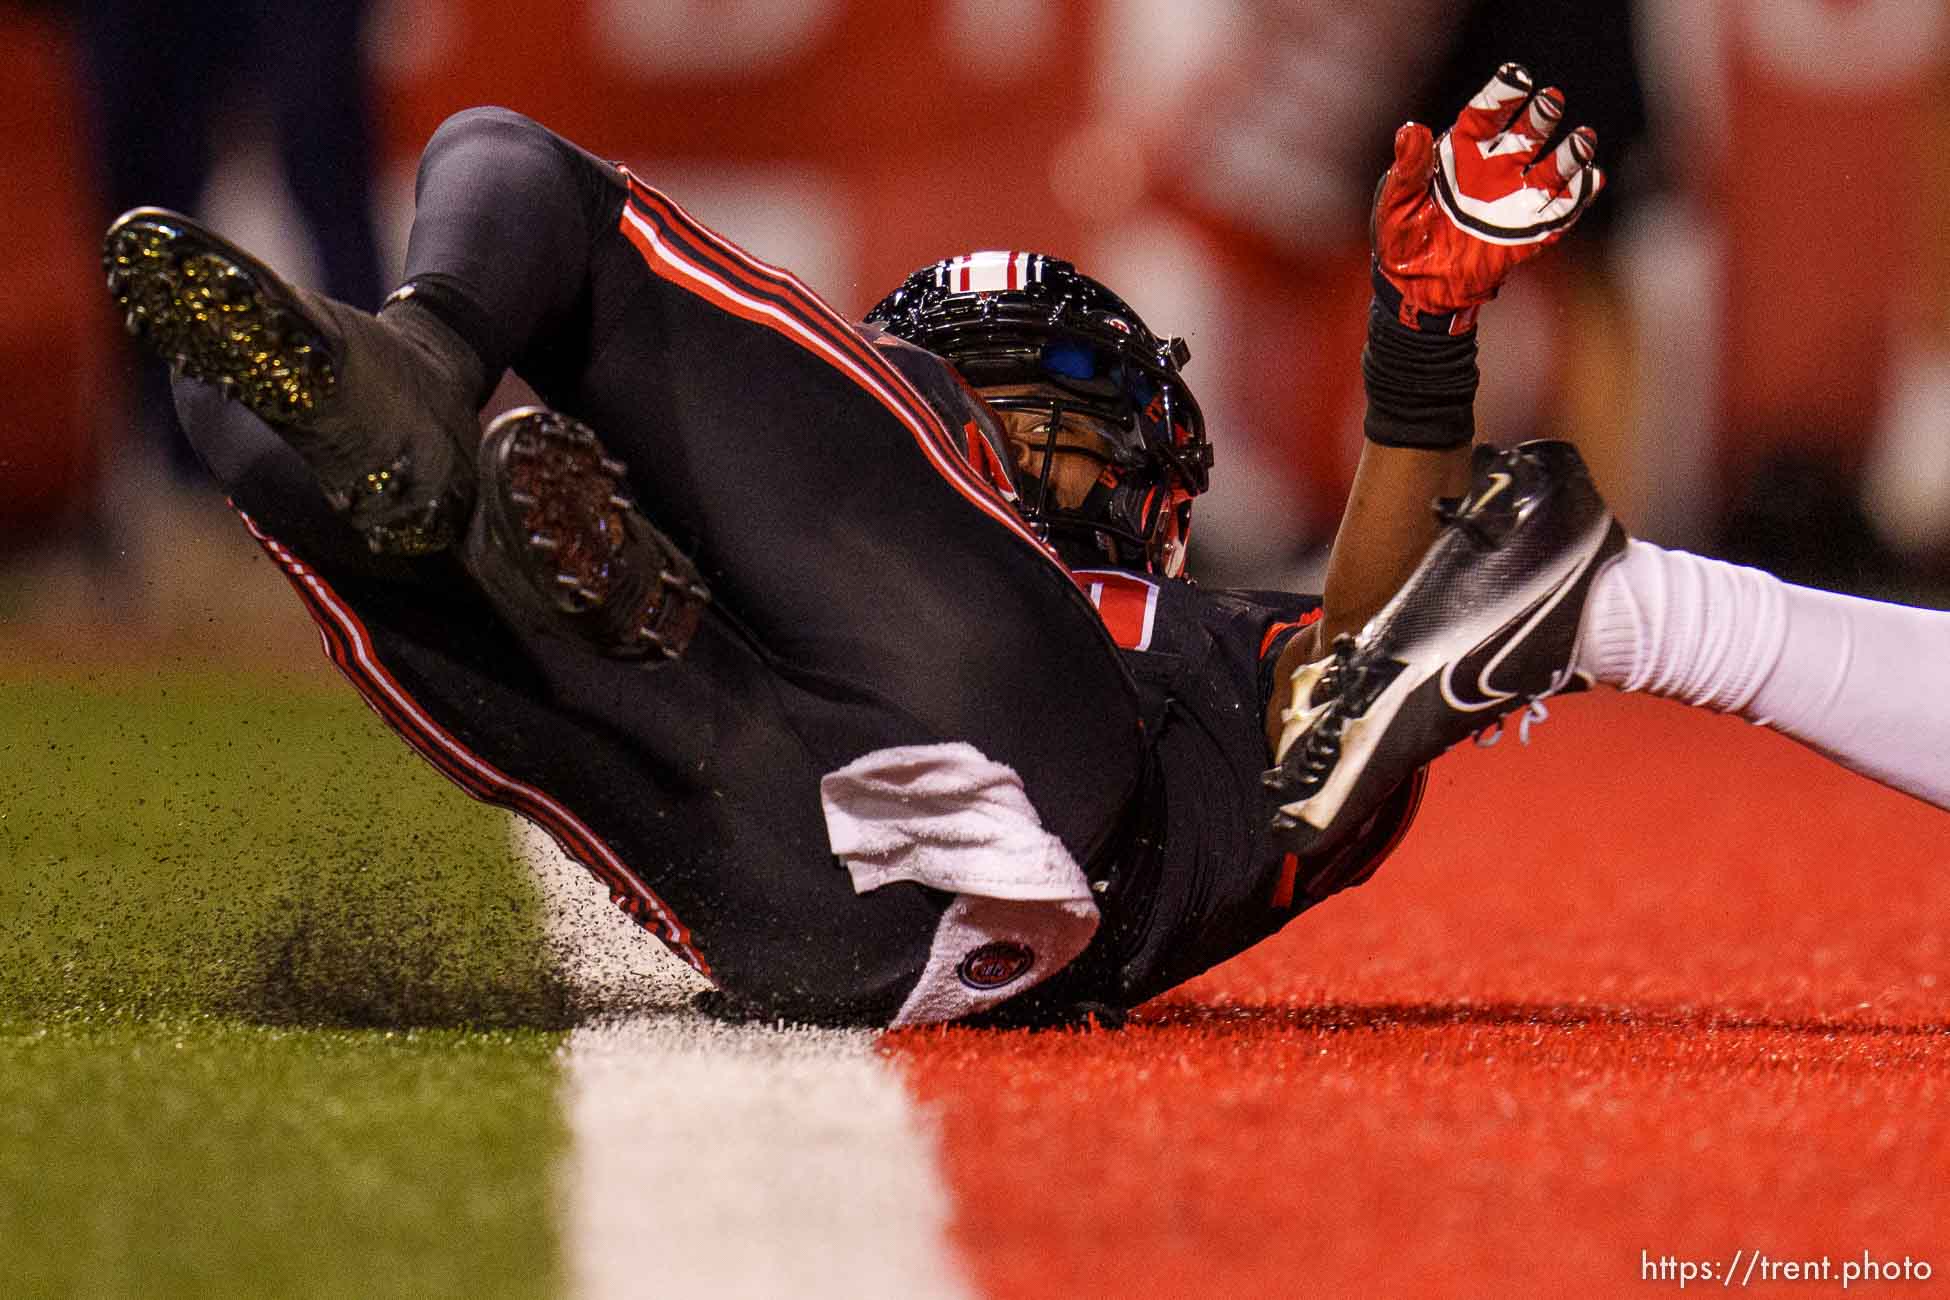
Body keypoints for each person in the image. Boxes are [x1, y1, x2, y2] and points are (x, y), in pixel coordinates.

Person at [101, 66, 1946, 1030]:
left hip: (991, 774)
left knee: (513, 163)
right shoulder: (1056, 582)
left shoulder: (1205, 632)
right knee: (241, 409)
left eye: (1042, 400)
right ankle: (483, 489)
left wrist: (1422, 331)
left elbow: (1357, 647)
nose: (1002, 427)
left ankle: (454, 410)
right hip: (806, 889)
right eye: (964, 396)